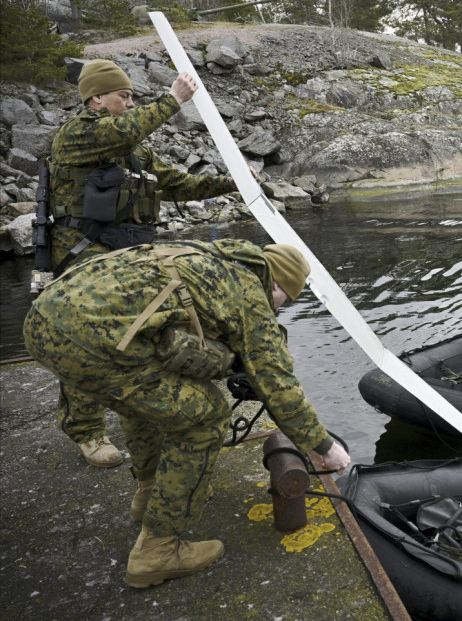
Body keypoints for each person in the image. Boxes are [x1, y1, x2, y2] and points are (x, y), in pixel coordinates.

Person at [23, 239, 351, 587]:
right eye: (286, 300)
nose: (279, 309)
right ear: (277, 285)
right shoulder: (252, 294)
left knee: (145, 398)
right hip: (89, 342)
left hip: (42, 321)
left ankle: (151, 492)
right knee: (206, 417)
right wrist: (324, 446)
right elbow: (278, 383)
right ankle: (158, 552)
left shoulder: (205, 255)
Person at [45, 59, 238, 468]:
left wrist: (231, 182)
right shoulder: (77, 134)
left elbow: (177, 184)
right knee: (82, 339)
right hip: (82, 254)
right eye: (124, 96)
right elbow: (124, 130)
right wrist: (173, 99)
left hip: (126, 253)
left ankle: (147, 414)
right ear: (97, 99)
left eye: (133, 96)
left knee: (143, 333)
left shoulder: (134, 152)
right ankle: (87, 431)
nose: (131, 104)